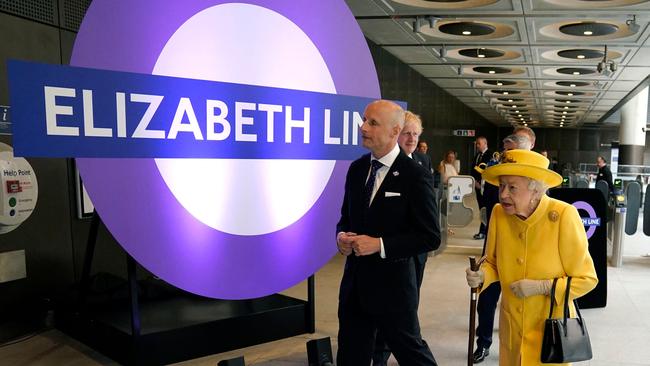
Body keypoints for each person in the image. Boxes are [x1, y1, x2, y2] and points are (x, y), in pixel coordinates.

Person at [466, 149, 598, 366]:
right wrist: (481, 276)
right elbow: (492, 263)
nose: (503, 194)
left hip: (550, 334)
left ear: (535, 190)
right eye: (501, 186)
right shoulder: (499, 214)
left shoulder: (563, 216)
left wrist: (542, 287)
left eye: (512, 187)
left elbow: (588, 279)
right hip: (513, 331)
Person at [336, 100, 439, 366]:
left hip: (393, 291)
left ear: (395, 131)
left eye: (372, 123)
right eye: (364, 120)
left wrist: (380, 245)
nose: (363, 127)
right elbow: (346, 219)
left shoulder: (414, 175)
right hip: (355, 287)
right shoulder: (357, 169)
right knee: (350, 356)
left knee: (412, 355)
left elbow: (429, 236)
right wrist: (342, 238)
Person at [372, 110, 433, 366]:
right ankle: (382, 353)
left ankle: (400, 343)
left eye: (416, 134)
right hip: (388, 254)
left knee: (408, 306)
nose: (412, 139)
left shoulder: (421, 162)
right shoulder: (380, 167)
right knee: (389, 309)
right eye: (407, 133)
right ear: (396, 133)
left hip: (416, 253)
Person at [472, 133, 532, 364]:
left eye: (513, 153)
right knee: (487, 298)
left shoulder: (537, 181)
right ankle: (483, 343)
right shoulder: (498, 174)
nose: (507, 158)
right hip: (497, 248)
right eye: (505, 154)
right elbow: (491, 198)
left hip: (529, 256)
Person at [472, 137, 492, 240]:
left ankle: (483, 231)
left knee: (485, 209)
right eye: (476, 144)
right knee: (481, 209)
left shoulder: (490, 155)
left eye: (479, 144)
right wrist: (474, 182)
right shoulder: (477, 155)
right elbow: (473, 170)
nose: (477, 145)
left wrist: (481, 183)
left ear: (485, 143)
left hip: (485, 187)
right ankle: (482, 231)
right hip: (477, 186)